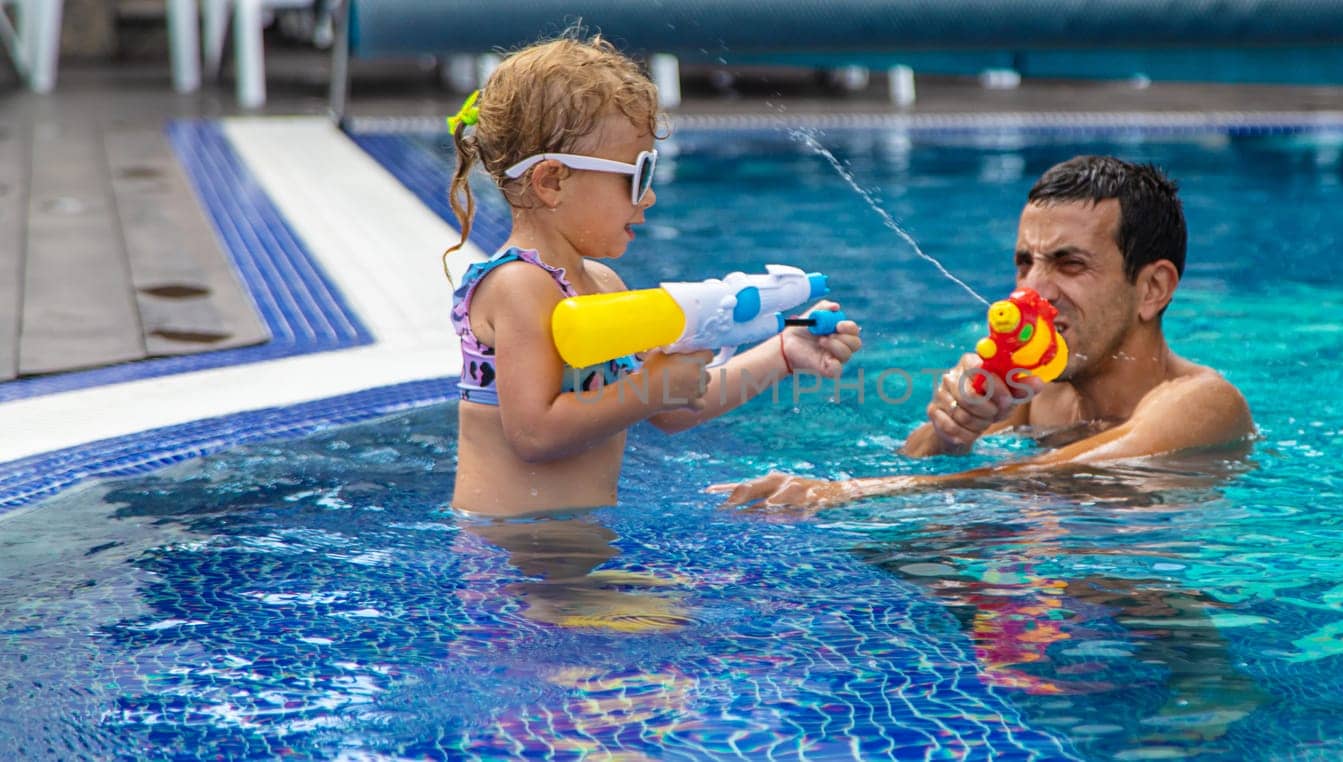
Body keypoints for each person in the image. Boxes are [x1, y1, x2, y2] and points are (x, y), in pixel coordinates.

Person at [445, 33, 862, 516]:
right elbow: (535, 434)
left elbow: (671, 407)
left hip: (576, 547)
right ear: (553, 181)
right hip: (511, 558)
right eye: (638, 176)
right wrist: (652, 388)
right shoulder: (518, 285)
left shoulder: (604, 285)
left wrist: (783, 353)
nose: (649, 198)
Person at [713, 156, 1252, 509]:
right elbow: (922, 469)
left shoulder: (1203, 402)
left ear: (1153, 288)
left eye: (1068, 264)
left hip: (1150, 609)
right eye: (1024, 265)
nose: (1028, 294)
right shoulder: (1033, 396)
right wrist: (950, 433)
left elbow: (1070, 472)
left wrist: (848, 493)